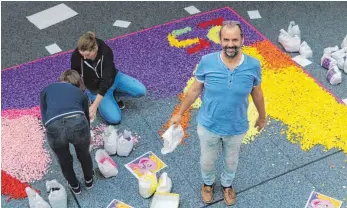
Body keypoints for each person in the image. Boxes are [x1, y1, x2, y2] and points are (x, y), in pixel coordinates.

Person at [170, 21, 266, 206]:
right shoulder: (207, 61)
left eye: (235, 40)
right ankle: (207, 184)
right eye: (226, 40)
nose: (231, 44)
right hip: (209, 125)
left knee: (231, 161)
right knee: (207, 160)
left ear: (242, 39)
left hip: (236, 127)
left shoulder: (253, 65)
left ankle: (227, 185)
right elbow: (194, 90)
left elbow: (257, 93)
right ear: (220, 40)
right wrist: (179, 113)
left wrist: (262, 117)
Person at [71, 31, 147, 124]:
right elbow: (75, 74)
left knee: (141, 90)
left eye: (87, 55)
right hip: (95, 89)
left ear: (95, 48)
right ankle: (100, 98)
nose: (84, 58)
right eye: (82, 54)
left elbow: (105, 80)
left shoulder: (106, 51)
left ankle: (110, 96)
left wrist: (94, 105)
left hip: (114, 79)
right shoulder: (76, 55)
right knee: (115, 119)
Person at [40, 70, 94, 194]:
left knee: (64, 159)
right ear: (78, 82)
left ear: (61, 80)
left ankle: (75, 186)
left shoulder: (46, 90)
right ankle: (89, 180)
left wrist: (50, 131)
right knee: (84, 154)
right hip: (77, 122)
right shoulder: (80, 93)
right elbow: (86, 117)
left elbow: (44, 116)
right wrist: (88, 134)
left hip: (53, 125)